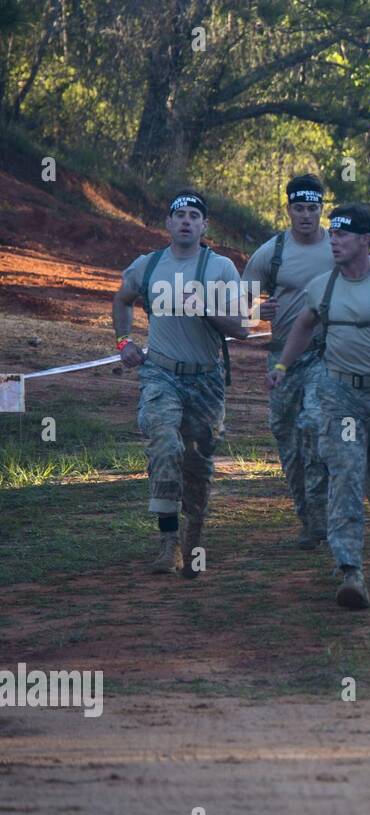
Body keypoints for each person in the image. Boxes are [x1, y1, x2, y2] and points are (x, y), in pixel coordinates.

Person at [268, 203, 370, 609]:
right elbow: (304, 326)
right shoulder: (322, 286)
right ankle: (350, 569)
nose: (334, 241)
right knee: (344, 470)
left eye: (343, 235)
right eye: (332, 234)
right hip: (338, 393)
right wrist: (281, 365)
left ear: (366, 241)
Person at [112, 189, 247, 577]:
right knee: (165, 445)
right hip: (161, 374)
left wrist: (204, 305)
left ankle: (195, 533)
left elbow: (240, 328)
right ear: (168, 223)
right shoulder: (148, 265)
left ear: (204, 226)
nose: (186, 220)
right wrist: (125, 342)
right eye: (179, 214)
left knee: (197, 464)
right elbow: (122, 300)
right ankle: (167, 541)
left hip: (205, 378)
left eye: (194, 215)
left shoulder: (220, 267)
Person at [241, 173, 335, 548]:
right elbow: (237, 307)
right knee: (289, 441)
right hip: (282, 359)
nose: (307, 216)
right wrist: (256, 308)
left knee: (314, 428)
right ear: (289, 209)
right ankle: (308, 518)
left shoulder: (338, 248)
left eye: (313, 208)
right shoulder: (271, 253)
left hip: (326, 357)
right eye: (300, 208)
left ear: (321, 210)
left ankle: (324, 517)